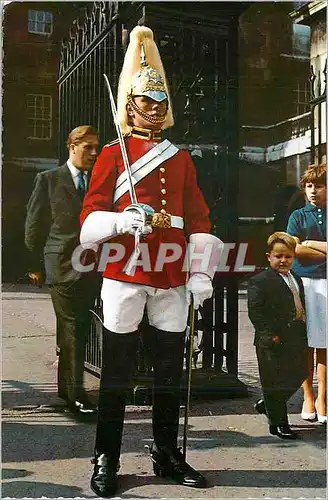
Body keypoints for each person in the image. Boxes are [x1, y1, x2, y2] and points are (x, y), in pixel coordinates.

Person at [80, 26, 222, 497]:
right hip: (125, 270)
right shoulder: (109, 155)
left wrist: (200, 272)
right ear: (131, 104)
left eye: (161, 103)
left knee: (168, 373)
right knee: (117, 373)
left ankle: (166, 452)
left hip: (171, 276)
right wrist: (122, 221)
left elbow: (198, 216)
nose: (155, 109)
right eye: (146, 101)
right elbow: (88, 219)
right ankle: (107, 456)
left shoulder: (180, 159)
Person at [25, 125, 101, 417]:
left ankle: (65, 388)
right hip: (62, 266)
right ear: (72, 146)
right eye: (88, 147)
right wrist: (34, 265)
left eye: (96, 147)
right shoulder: (48, 180)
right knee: (74, 326)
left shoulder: (98, 182)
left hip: (93, 265)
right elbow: (35, 225)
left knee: (73, 327)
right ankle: (75, 395)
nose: (94, 153)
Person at [248, 232, 308, 440]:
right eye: (278, 256)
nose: (283, 260)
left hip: (294, 335)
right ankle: (279, 424)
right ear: (269, 257)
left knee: (299, 373)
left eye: (288, 257)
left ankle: (267, 404)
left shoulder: (296, 278)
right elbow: (255, 311)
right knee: (273, 381)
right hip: (271, 340)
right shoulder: (260, 281)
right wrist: (269, 335)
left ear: (293, 257)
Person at [287, 164, 327, 424]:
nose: (313, 191)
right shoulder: (298, 216)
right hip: (305, 283)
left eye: (320, 186)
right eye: (309, 186)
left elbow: (303, 246)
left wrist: (309, 243)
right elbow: (294, 249)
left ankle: (324, 397)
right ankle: (308, 396)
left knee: (325, 343)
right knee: (304, 342)